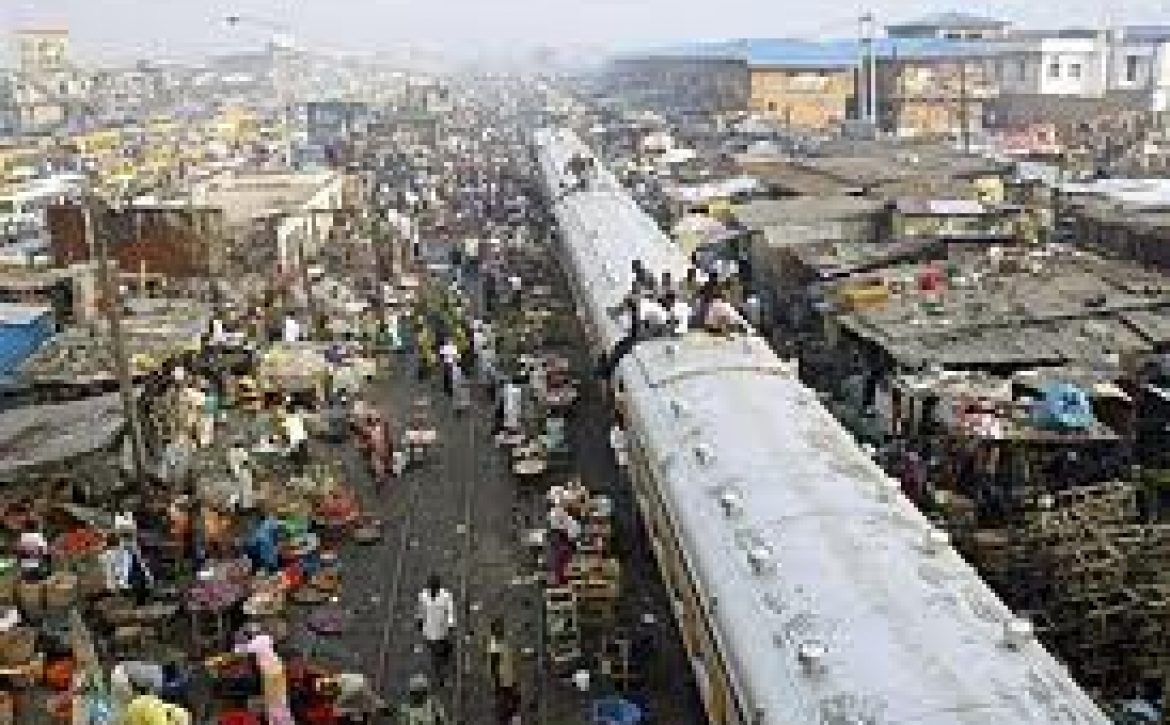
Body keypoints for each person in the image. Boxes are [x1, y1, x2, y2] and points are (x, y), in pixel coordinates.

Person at [417, 575, 455, 687]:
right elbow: (421, 610)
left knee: (442, 651)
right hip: (429, 631)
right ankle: (440, 676)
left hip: (442, 630)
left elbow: (450, 610)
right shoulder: (423, 596)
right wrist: (420, 620)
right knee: (436, 655)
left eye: (435, 588)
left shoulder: (446, 596)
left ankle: (442, 665)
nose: (433, 590)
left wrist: (451, 623)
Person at [487, 619, 520, 725]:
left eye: (501, 628)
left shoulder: (501, 642)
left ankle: (510, 716)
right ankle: (506, 718)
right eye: (498, 628)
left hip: (509, 675)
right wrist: (497, 680)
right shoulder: (494, 646)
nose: (501, 630)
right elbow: (494, 664)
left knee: (512, 697)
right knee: (507, 698)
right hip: (503, 677)